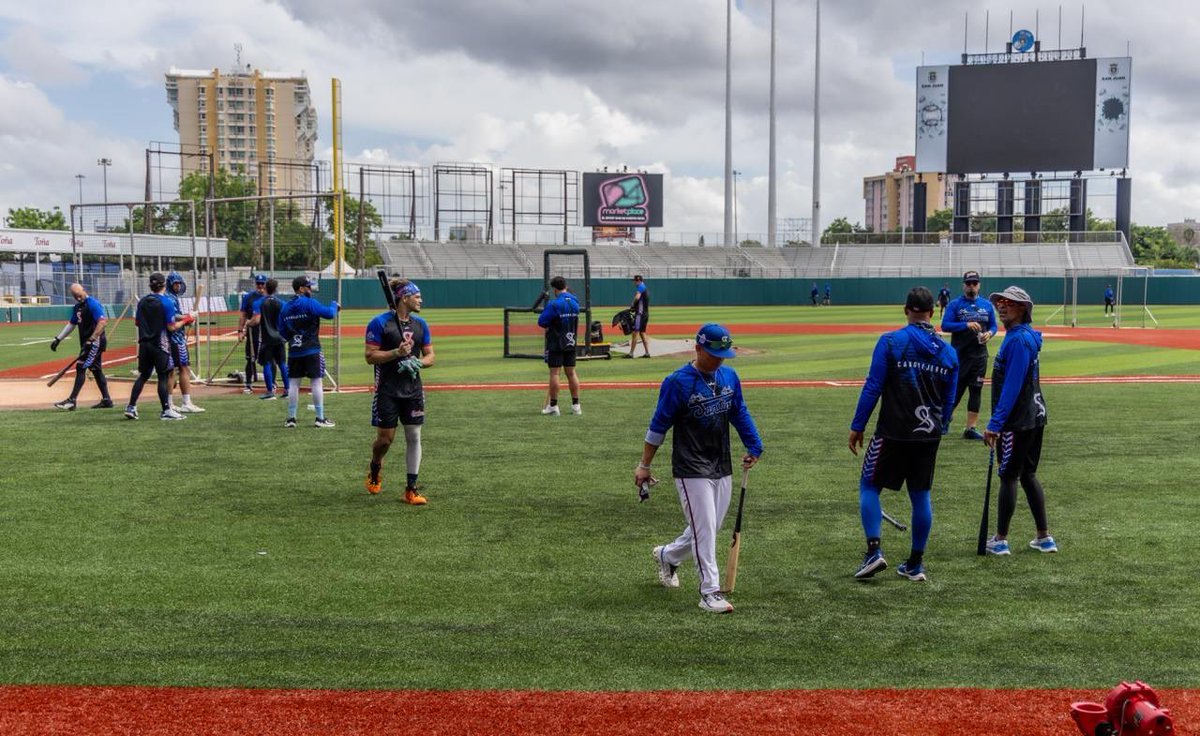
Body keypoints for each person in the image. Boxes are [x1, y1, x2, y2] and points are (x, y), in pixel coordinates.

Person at [635, 323, 763, 614]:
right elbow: (658, 427)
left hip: (721, 462)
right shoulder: (676, 382)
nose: (720, 360)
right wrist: (644, 465)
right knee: (705, 530)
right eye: (714, 354)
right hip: (690, 466)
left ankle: (668, 555)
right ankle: (709, 592)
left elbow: (739, 411)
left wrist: (754, 446)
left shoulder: (729, 376)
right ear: (698, 348)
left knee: (708, 527)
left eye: (723, 354)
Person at [848, 287, 958, 583]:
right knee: (921, 496)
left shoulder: (891, 342)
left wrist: (858, 425)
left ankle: (874, 551)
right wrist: (942, 426)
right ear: (933, 312)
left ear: (906, 309)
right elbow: (950, 399)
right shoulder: (949, 353)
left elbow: (873, 386)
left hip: (893, 431)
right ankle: (915, 563)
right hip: (928, 435)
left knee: (869, 485)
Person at [982, 286, 1056, 555]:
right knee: (1027, 474)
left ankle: (1000, 539)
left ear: (1023, 308)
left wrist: (995, 423)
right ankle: (1044, 537)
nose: (1001, 306)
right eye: (1000, 302)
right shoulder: (1023, 337)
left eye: (1009, 303)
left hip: (1019, 421)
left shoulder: (1017, 340)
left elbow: (1011, 387)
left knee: (1009, 476)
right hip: (1034, 416)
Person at [364, 278, 435, 504]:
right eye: (417, 296)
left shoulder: (420, 324)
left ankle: (411, 489)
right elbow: (370, 356)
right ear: (404, 298)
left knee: (414, 436)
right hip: (387, 389)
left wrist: (418, 362)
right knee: (385, 441)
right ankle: (375, 466)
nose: (421, 300)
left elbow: (431, 355)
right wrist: (396, 353)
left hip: (413, 389)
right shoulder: (379, 323)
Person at [124, 272, 193, 421]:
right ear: (163, 285)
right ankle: (166, 410)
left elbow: (137, 323)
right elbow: (172, 327)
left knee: (143, 376)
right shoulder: (166, 302)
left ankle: (131, 407)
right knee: (163, 376)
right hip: (160, 344)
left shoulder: (142, 302)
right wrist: (186, 320)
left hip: (144, 344)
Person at [941, 270, 997, 440]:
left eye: (974, 283)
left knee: (976, 390)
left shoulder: (987, 305)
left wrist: (990, 334)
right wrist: (965, 325)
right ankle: (944, 419)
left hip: (980, 356)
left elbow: (994, 326)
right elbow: (945, 325)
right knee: (956, 389)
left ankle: (970, 428)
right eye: (968, 283)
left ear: (979, 285)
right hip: (960, 355)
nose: (971, 286)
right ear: (963, 285)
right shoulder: (955, 305)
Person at [278, 275, 340, 428]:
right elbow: (330, 314)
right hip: (311, 349)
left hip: (294, 350)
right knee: (316, 382)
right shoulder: (309, 303)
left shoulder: (285, 307)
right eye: (308, 287)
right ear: (301, 288)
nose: (311, 290)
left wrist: (293, 339)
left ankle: (291, 419)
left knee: (293, 384)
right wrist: (334, 304)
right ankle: (320, 418)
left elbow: (282, 331)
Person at [51, 283, 113, 410]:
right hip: (87, 343)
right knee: (96, 370)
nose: (78, 298)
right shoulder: (77, 307)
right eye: (75, 297)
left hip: (94, 342)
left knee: (80, 366)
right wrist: (58, 339)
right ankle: (107, 400)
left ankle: (72, 401)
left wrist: (92, 339)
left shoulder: (93, 304)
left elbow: (102, 322)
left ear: (84, 290)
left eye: (79, 295)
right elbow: (72, 324)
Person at [537, 276, 581, 415]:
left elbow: (542, 321)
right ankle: (576, 406)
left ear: (555, 289)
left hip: (556, 342)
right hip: (571, 341)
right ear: (565, 286)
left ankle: (554, 406)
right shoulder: (575, 301)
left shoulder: (554, 304)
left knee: (555, 373)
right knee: (572, 373)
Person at [163, 272, 204, 414]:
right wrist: (188, 317)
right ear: (169, 284)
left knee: (171, 371)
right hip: (176, 338)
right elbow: (172, 316)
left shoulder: (170, 297)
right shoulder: (170, 298)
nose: (178, 286)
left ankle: (169, 403)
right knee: (184, 368)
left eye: (179, 283)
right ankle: (186, 402)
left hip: (172, 337)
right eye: (175, 283)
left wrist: (187, 317)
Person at [248, 278, 288, 400]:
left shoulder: (259, 303)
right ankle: (288, 389)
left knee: (266, 363)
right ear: (275, 289)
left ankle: (270, 391)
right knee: (282, 364)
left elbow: (256, 320)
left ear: (265, 288)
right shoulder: (281, 303)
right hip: (280, 338)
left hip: (267, 339)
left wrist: (248, 323)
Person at [238, 275, 267, 394]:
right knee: (250, 359)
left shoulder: (269, 297)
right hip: (252, 332)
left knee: (268, 360)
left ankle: (272, 384)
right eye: (258, 283)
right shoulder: (249, 297)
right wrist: (240, 331)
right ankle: (248, 384)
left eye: (262, 283)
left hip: (266, 332)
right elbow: (243, 315)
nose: (260, 286)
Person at [626, 275, 651, 358]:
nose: (634, 282)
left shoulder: (641, 287)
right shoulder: (644, 287)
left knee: (635, 332)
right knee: (642, 333)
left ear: (638, 281)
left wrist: (632, 304)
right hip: (646, 314)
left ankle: (631, 353)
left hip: (640, 314)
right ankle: (647, 353)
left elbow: (637, 297)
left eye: (634, 281)